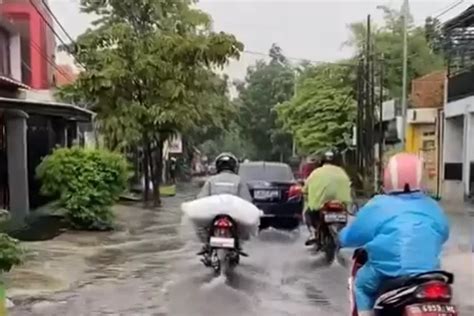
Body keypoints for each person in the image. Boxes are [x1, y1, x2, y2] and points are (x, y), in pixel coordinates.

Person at [339, 153, 449, 316]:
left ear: (388, 177)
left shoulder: (378, 205)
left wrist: (341, 238)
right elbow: (444, 233)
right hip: (429, 274)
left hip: (386, 271)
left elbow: (353, 235)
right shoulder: (432, 206)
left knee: (360, 286)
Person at [196, 152, 251, 259]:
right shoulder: (239, 180)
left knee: (201, 226)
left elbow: (201, 198)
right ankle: (238, 246)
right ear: (234, 166)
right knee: (244, 226)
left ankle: (206, 245)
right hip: (234, 214)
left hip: (214, 213)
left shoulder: (211, 180)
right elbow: (247, 200)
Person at [303, 150, 352, 246]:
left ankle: (313, 233)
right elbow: (349, 186)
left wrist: (304, 191)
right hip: (341, 204)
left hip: (320, 205)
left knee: (307, 213)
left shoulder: (316, 172)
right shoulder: (343, 173)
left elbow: (305, 189)